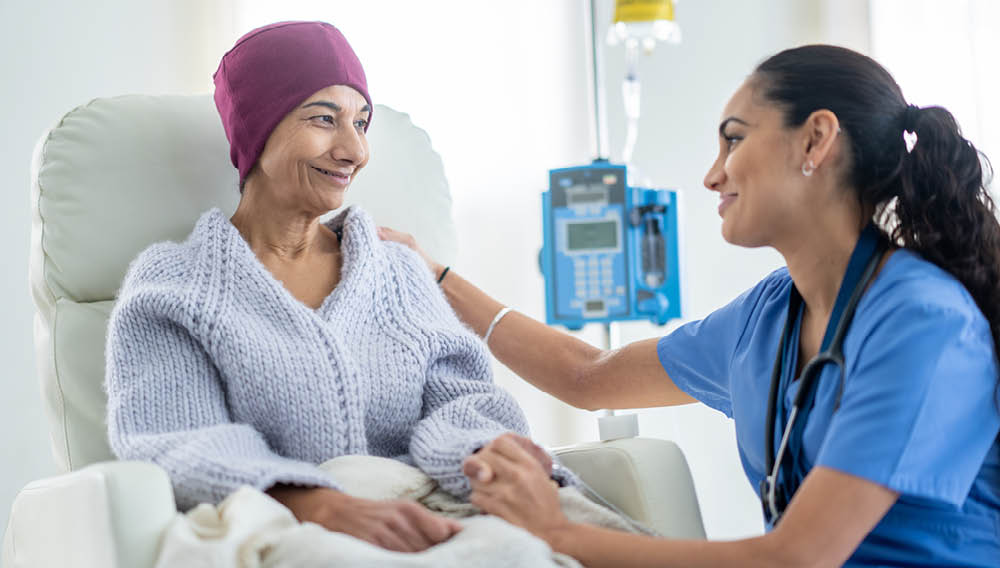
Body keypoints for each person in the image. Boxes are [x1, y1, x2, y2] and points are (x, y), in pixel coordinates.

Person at [380, 45, 1000, 566]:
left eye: (733, 139)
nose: (712, 175)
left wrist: (560, 532)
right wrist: (435, 276)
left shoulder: (924, 323)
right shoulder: (768, 317)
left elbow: (796, 557)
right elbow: (589, 376)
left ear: (816, 140)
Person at [104, 21, 553, 554]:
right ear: (257, 129)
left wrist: (488, 455)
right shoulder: (174, 286)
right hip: (283, 524)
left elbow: (463, 403)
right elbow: (179, 436)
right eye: (324, 119)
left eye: (362, 123)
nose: (354, 151)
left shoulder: (397, 271)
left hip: (430, 509)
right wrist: (320, 504)